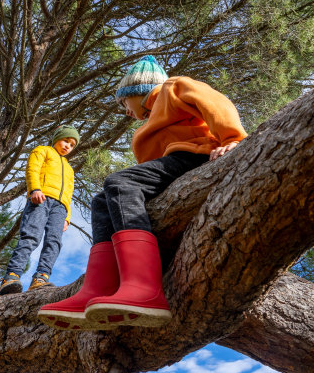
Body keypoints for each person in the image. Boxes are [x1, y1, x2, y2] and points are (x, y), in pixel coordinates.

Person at [38, 56, 247, 329]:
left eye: (124, 102)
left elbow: (215, 104)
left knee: (119, 182)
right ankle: (96, 291)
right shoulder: (148, 124)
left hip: (195, 156)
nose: (125, 110)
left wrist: (232, 139)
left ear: (137, 90)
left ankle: (144, 288)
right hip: (172, 171)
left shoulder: (172, 89)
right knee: (102, 200)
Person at [0, 125, 80, 296]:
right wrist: (35, 189)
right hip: (41, 198)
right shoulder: (43, 150)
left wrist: (68, 217)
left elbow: (69, 193)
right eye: (66, 140)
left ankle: (41, 278)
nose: (68, 146)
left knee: (54, 241)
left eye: (72, 145)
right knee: (31, 236)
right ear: (57, 137)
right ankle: (11, 277)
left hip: (60, 208)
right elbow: (32, 169)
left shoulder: (70, 169)